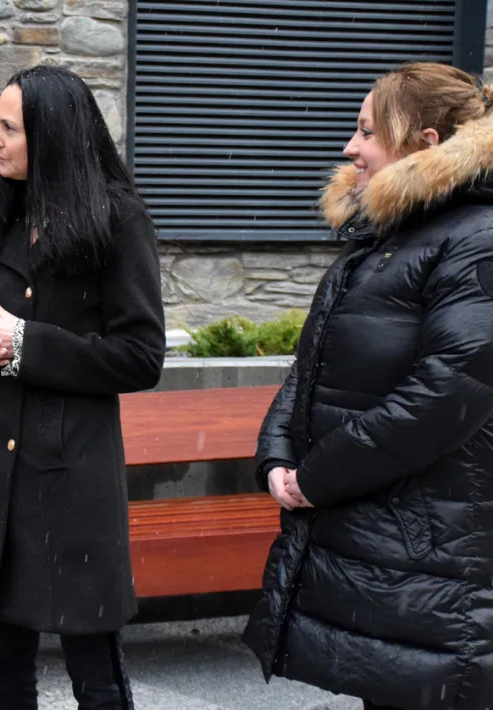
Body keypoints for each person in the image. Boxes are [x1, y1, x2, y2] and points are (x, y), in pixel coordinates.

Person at [243, 62, 493, 710]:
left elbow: (449, 391)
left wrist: (316, 477)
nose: (350, 148)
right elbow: (312, 365)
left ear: (427, 145)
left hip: (432, 550)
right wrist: (277, 455)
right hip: (377, 541)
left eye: (367, 131)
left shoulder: (478, 241)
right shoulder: (381, 241)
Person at [0, 65, 166, 710]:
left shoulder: (117, 218)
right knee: (1, 659)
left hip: (66, 472)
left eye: (8, 127)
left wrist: (28, 345)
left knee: (93, 659)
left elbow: (142, 356)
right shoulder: (1, 202)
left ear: (53, 136)